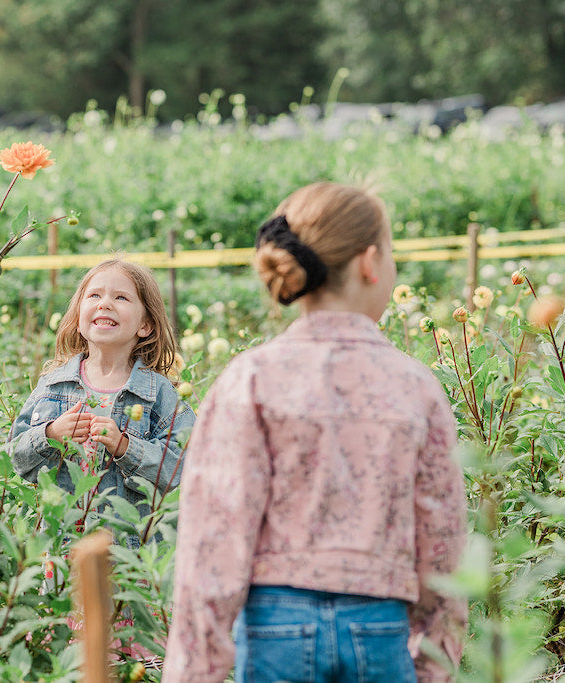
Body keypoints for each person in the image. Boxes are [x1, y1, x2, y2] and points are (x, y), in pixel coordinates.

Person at [163, 182, 467, 682]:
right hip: (380, 625)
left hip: (272, 629)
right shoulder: (416, 386)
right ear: (371, 261)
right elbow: (444, 542)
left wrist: (196, 673)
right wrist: (435, 665)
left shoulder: (250, 378)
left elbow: (215, 538)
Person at [9, 259, 195, 516]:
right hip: (63, 541)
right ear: (77, 318)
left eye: (121, 297)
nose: (105, 303)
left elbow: (183, 465)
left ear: (145, 325)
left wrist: (124, 447)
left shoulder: (159, 393)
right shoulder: (53, 384)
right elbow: (16, 458)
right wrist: (50, 435)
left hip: (127, 547)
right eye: (94, 295)